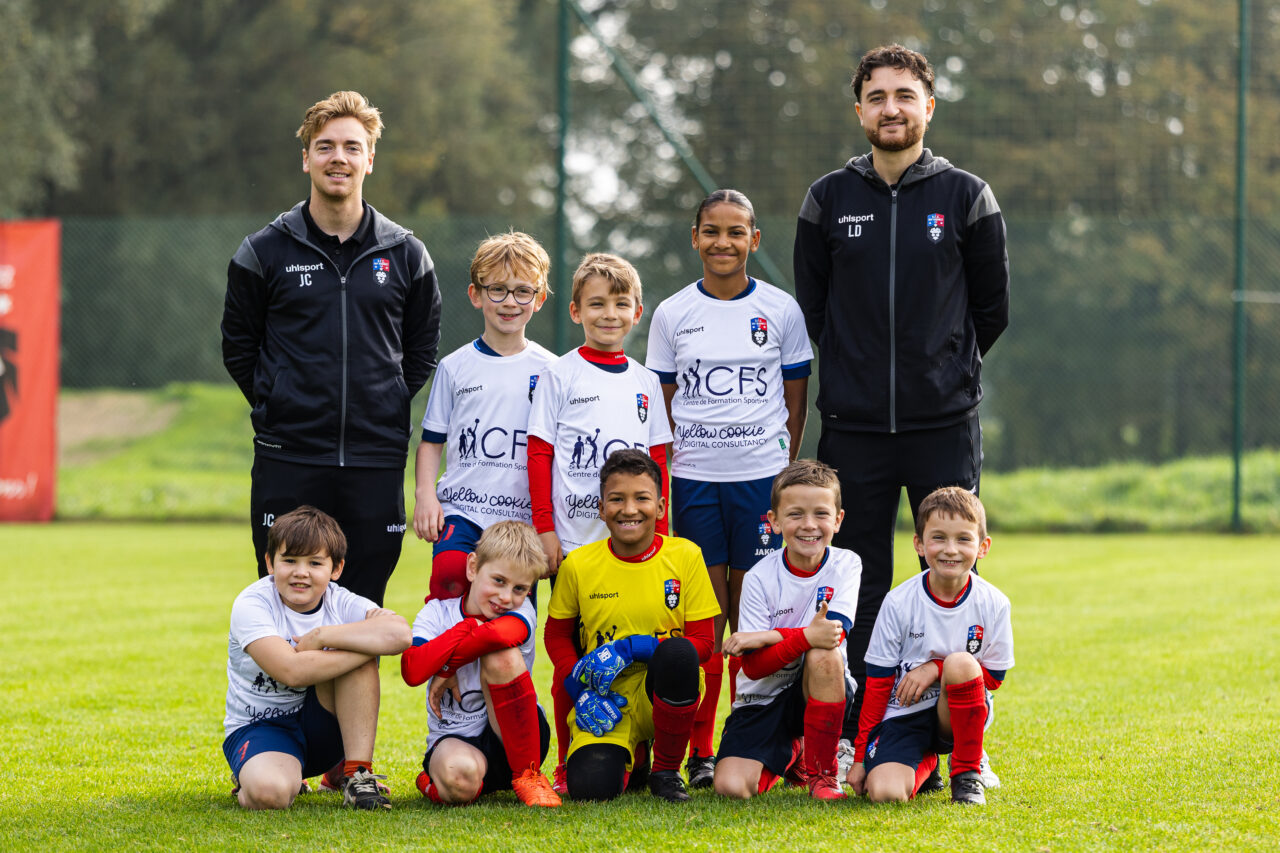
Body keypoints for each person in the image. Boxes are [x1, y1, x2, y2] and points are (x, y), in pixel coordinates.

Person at [792, 45, 1010, 756]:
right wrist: (857, 371)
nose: (891, 108)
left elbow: (992, 310)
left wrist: (938, 370)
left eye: (905, 96)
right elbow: (815, 309)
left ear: (928, 107)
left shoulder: (966, 196)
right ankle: (858, 733)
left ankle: (956, 740)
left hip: (942, 422)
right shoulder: (827, 199)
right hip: (852, 426)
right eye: (877, 96)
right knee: (856, 573)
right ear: (859, 110)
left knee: (949, 567)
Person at [222, 90, 442, 606]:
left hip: (374, 459)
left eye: (351, 146)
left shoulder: (407, 254)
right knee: (288, 603)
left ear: (370, 158)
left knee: (362, 609)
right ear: (305, 158)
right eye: (324, 147)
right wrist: (282, 398)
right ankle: (292, 692)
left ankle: (346, 693)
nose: (337, 157)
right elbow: (239, 348)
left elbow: (420, 351)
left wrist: (381, 398)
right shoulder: (262, 251)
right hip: (289, 457)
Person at [646, 189, 813, 786]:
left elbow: (796, 398)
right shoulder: (670, 314)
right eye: (711, 231)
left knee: (754, 619)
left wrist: (782, 467)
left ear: (754, 240)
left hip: (759, 484)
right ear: (694, 237)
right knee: (706, 623)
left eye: (736, 231)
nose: (723, 242)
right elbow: (660, 407)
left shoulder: (781, 311)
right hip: (694, 481)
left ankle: (765, 739)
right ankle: (700, 751)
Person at [526, 253, 674, 791]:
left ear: (637, 311)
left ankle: (642, 747)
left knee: (641, 643)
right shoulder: (559, 374)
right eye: (596, 304)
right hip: (576, 541)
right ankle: (569, 759)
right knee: (577, 651)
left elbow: (658, 463)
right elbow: (540, 455)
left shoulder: (645, 382)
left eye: (620, 303)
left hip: (638, 543)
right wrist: (546, 530)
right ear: (574, 311)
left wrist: (663, 535)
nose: (609, 314)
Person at [544, 449, 720, 802]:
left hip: (665, 688)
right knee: (591, 790)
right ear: (601, 508)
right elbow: (556, 635)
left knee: (679, 654)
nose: (629, 509)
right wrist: (579, 687)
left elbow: (703, 642)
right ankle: (636, 759)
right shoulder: (578, 564)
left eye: (641, 498)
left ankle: (666, 771)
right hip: (607, 695)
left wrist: (635, 647)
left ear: (660, 506)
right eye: (616, 499)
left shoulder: (686, 555)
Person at [222, 505, 411, 811]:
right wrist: (363, 645)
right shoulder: (252, 603)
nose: (301, 572)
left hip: (323, 727)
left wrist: (323, 637)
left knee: (358, 656)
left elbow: (401, 635)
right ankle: (254, 773)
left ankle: (357, 775)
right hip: (262, 728)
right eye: (290, 560)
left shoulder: (340, 599)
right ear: (270, 563)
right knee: (270, 795)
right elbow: (291, 671)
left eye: (315, 562)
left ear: (335, 569)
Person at [411, 232, 556, 602]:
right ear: (476, 295)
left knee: (509, 614)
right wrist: (426, 495)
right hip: (463, 511)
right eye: (498, 290)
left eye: (523, 291)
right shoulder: (454, 367)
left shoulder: (554, 371)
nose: (510, 302)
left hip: (521, 523)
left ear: (538, 300)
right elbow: (431, 442)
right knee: (449, 583)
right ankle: (439, 659)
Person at [848, 487, 1013, 806]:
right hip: (903, 712)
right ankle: (926, 763)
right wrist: (859, 757)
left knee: (961, 664)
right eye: (938, 538)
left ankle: (967, 773)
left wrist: (936, 669)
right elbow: (878, 685)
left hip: (956, 713)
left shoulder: (994, 603)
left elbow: (993, 678)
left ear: (983, 547)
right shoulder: (898, 602)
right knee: (885, 794)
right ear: (919, 544)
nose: (951, 549)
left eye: (964, 539)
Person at [712, 459, 861, 801]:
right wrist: (805, 636)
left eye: (821, 514)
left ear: (838, 520)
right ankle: (795, 751)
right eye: (795, 514)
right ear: (774, 522)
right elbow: (754, 667)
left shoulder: (847, 563)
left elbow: (830, 635)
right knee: (732, 788)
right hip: (760, 699)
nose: (809, 525)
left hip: (818, 688)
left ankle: (823, 776)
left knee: (825, 654)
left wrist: (767, 636)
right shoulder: (758, 578)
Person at [401, 520, 560, 808]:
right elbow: (412, 670)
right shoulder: (436, 612)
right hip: (457, 738)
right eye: (498, 581)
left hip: (516, 736)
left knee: (500, 653)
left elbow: (497, 635)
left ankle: (529, 775)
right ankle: (433, 782)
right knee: (459, 784)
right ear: (473, 567)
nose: (505, 597)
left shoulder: (521, 611)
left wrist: (447, 667)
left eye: (519, 588)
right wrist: (468, 627)